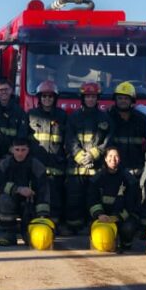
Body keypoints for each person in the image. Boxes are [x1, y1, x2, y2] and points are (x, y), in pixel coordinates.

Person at [64, 82, 110, 234]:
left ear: (97, 98)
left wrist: (93, 155)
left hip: (96, 168)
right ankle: (74, 227)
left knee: (94, 199)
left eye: (93, 96)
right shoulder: (74, 117)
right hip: (76, 168)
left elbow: (108, 140)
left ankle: (93, 227)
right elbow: (69, 138)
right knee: (73, 199)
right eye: (88, 96)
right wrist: (79, 156)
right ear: (82, 98)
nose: (90, 99)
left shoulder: (105, 118)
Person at [0, 136, 51, 246]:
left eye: (23, 150)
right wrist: (18, 189)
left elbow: (43, 188)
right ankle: (9, 233)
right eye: (17, 150)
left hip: (31, 200)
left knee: (30, 240)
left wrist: (42, 214)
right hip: (13, 197)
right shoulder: (4, 165)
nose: (20, 153)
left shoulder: (36, 165)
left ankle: (27, 231)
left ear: (28, 150)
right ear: (12, 150)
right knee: (4, 199)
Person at [26, 80, 67, 225]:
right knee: (37, 195)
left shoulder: (62, 116)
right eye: (44, 96)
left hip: (57, 164)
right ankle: (36, 224)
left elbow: (67, 141)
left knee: (56, 196)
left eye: (50, 96)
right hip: (37, 164)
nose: (47, 99)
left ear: (55, 98)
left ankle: (54, 226)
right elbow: (23, 139)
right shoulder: (31, 115)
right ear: (39, 98)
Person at [87, 145, 142, 252]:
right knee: (99, 233)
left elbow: (132, 203)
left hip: (122, 217)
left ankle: (126, 244)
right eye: (110, 156)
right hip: (102, 216)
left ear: (120, 159)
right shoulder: (97, 179)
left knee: (128, 228)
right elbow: (91, 200)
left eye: (116, 156)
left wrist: (117, 217)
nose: (113, 159)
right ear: (105, 158)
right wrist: (99, 214)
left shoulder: (129, 179)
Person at [106, 82, 146, 179]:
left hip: (136, 170)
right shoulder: (107, 117)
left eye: (126, 98)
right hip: (114, 169)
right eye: (120, 98)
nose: (123, 101)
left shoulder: (141, 119)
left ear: (131, 100)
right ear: (115, 100)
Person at [0, 78, 28, 161]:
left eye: (6, 89)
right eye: (1, 90)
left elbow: (22, 133)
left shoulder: (19, 111)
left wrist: (13, 152)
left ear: (12, 91)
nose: (3, 92)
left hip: (12, 155)